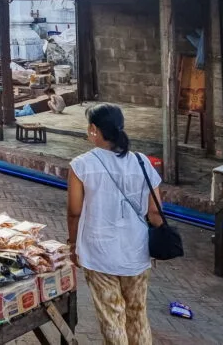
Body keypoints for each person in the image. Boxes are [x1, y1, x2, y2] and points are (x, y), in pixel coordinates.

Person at [67, 103, 164, 345]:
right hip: (136, 251)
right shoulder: (142, 163)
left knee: (112, 317)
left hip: (98, 253)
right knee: (137, 313)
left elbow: (74, 212)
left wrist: (72, 244)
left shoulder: (82, 165)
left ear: (93, 129)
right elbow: (155, 212)